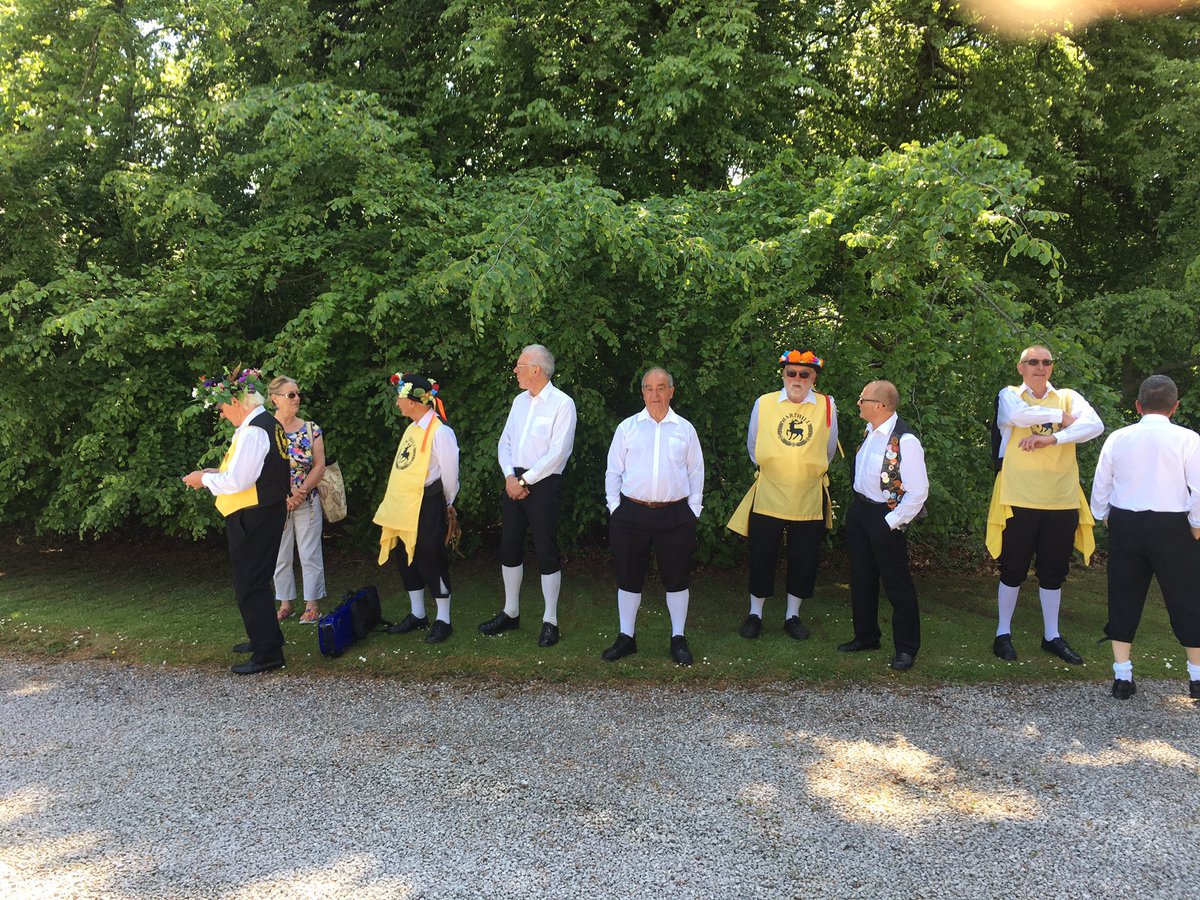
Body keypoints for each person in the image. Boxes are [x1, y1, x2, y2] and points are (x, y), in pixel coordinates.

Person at [986, 345, 1104, 664]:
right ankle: (1002, 633)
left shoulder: (1068, 395)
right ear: (1020, 367)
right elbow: (1017, 416)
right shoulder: (1009, 394)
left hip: (1060, 497)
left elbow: (1094, 426)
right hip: (1017, 495)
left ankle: (1051, 636)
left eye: (1046, 362)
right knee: (1012, 568)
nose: (1040, 367)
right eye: (1033, 362)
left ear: (1052, 367)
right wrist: (1061, 419)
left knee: (1054, 572)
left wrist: (1052, 438)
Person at [1089, 375, 1200, 701]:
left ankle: (1122, 677)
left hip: (1127, 524)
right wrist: (1196, 523)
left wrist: (1102, 515)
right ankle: (1196, 678)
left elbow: (1101, 483)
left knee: (1124, 595)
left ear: (1138, 405)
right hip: (1174, 527)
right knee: (1187, 598)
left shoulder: (1118, 438)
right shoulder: (1188, 439)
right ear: (1175, 407)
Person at [182, 367, 290, 675]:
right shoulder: (262, 424)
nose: (221, 413)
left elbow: (240, 481)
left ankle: (268, 653)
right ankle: (263, 638)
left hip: (254, 514)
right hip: (260, 510)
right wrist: (214, 475)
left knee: (250, 583)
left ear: (237, 400)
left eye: (222, 406)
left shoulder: (255, 430)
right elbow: (250, 473)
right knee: (254, 580)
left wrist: (205, 480)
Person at [727, 349, 839, 641]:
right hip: (769, 494)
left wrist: (803, 470)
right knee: (761, 556)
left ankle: (793, 616)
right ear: (783, 374)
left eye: (804, 374)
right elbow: (754, 446)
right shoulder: (763, 404)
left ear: (813, 377)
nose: (797, 379)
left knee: (804, 559)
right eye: (792, 373)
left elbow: (829, 449)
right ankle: (755, 615)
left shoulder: (827, 406)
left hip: (808, 497)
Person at [602, 367, 704, 666]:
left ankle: (678, 638)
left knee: (677, 578)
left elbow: (696, 472)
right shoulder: (627, 428)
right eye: (649, 388)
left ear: (671, 391)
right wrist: (615, 507)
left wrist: (693, 509)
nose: (655, 394)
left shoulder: (684, 429)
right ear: (642, 392)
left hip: (675, 515)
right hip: (631, 513)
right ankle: (626, 637)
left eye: (661, 388)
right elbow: (613, 471)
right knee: (628, 577)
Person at [479, 345, 577, 647]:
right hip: (513, 481)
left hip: (543, 483)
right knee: (509, 545)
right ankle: (511, 612)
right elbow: (504, 442)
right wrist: (510, 477)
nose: (515, 370)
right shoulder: (519, 402)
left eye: (520, 365)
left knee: (546, 549)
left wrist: (524, 479)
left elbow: (558, 453)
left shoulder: (563, 404)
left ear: (537, 369)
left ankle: (550, 620)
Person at [839, 380, 929, 671]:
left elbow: (918, 492)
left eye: (862, 399)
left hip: (886, 517)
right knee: (861, 578)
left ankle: (906, 648)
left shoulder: (905, 441)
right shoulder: (869, 432)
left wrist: (890, 522)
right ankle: (866, 637)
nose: (858, 404)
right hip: (861, 511)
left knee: (897, 585)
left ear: (879, 405)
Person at [374, 373, 459, 644]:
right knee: (404, 555)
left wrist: (447, 504)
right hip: (404, 504)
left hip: (428, 502)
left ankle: (443, 618)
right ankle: (418, 614)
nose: (397, 403)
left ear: (414, 400)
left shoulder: (440, 432)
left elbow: (449, 474)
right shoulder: (412, 428)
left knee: (430, 556)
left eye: (400, 397)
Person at [269, 376, 327, 625]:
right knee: (280, 554)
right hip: (275, 501)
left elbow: (320, 465)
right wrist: (284, 494)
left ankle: (312, 605)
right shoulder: (264, 429)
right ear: (275, 398)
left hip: (307, 498)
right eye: (290, 395)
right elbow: (260, 466)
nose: (297, 398)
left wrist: (300, 492)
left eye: (297, 394)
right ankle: (285, 603)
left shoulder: (310, 428)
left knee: (309, 552)